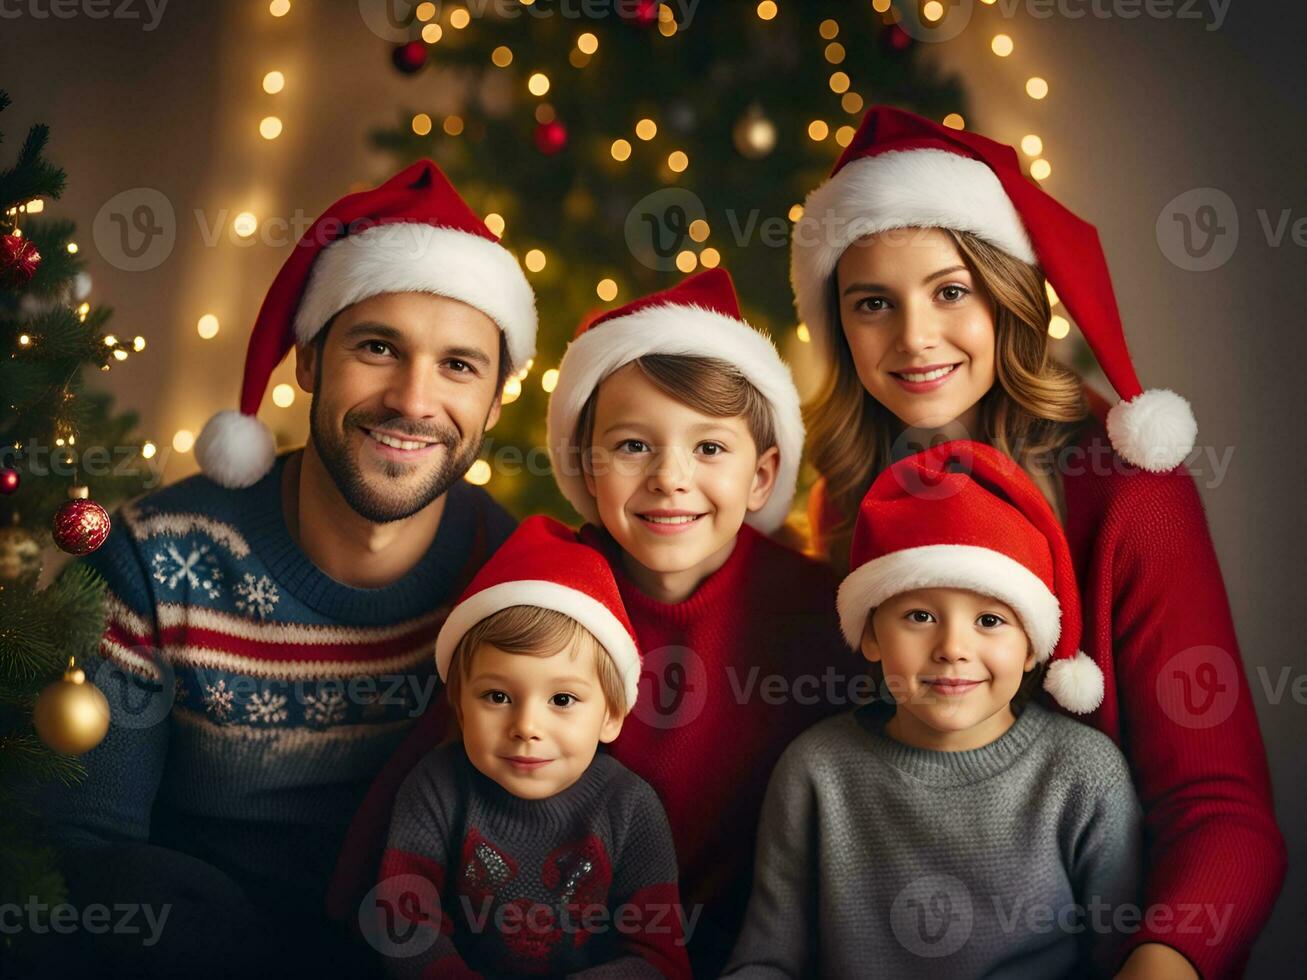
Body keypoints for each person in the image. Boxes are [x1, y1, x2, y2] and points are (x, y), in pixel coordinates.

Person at [791, 105, 1284, 977]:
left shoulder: (1131, 490)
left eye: (950, 291)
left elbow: (1222, 812)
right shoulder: (842, 493)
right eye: (873, 303)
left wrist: (1159, 961)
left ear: (1007, 295)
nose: (914, 339)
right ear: (840, 325)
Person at [37, 159, 534, 978]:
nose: (413, 400)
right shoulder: (155, 558)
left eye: (458, 365)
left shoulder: (514, 580)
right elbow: (82, 852)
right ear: (309, 362)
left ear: (494, 401)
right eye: (378, 347)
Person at [725, 441, 1142, 979]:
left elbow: (1120, 960)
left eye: (990, 621)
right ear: (871, 634)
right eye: (920, 616)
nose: (952, 647)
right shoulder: (817, 771)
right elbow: (768, 959)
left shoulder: (1082, 775)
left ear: (1034, 645)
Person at [547, 267, 857, 974]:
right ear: (585, 466)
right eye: (632, 446)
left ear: (761, 475)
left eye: (709, 447)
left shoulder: (819, 615)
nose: (669, 477)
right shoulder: (546, 592)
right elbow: (440, 769)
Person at [375, 515, 691, 978]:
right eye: (497, 697)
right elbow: (404, 923)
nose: (526, 726)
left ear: (611, 716)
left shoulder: (630, 808)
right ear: (460, 706)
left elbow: (657, 958)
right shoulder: (436, 789)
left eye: (562, 699)